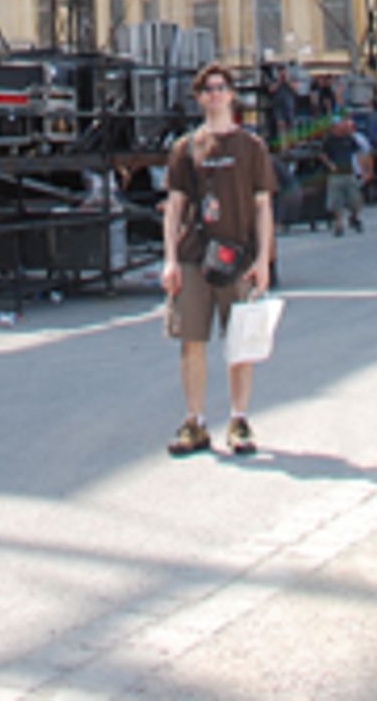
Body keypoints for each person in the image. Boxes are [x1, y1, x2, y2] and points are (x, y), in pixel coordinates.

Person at [161, 61, 276, 457]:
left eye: (220, 87)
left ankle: (239, 419)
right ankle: (195, 422)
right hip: (195, 256)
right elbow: (174, 207)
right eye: (207, 89)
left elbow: (263, 207)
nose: (214, 94)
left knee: (240, 344)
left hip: (237, 257)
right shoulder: (185, 147)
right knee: (191, 342)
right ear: (199, 98)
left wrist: (263, 260)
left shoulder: (251, 147)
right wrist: (170, 260)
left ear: (231, 95)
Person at [323, 112, 368, 236]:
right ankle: (339, 224)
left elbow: (359, 153)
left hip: (349, 172)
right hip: (335, 174)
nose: (341, 128)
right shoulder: (329, 140)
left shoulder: (349, 139)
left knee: (355, 200)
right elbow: (323, 154)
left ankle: (354, 217)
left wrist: (363, 170)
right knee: (336, 201)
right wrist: (330, 165)